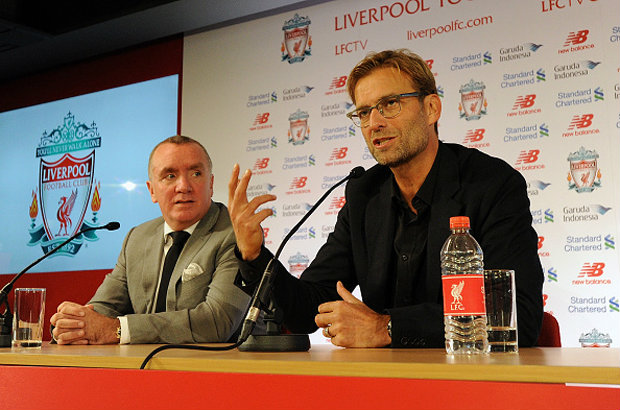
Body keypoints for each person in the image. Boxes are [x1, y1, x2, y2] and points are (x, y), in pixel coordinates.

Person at [228, 49, 544, 348]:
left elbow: (517, 316)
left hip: (469, 378)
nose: (374, 123)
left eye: (390, 104)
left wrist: (387, 327)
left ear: (431, 109)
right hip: (384, 378)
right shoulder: (364, 193)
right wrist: (254, 256)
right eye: (364, 112)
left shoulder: (492, 185)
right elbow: (308, 308)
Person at [51, 135, 249, 344]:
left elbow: (217, 322)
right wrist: (75, 324)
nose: (183, 186)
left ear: (211, 184)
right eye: (170, 176)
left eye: (196, 174)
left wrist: (118, 329)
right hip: (145, 363)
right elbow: (104, 307)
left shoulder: (236, 234)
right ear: (152, 190)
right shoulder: (137, 238)